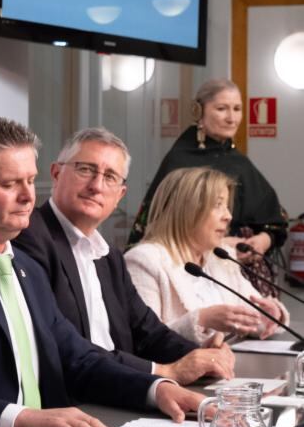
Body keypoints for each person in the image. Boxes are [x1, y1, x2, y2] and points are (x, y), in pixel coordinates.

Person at [0, 118, 202, 427]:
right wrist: (21, 419)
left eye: (30, 180)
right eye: (10, 184)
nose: (28, 196)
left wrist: (156, 390)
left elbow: (78, 359)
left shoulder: (26, 266)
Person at [14, 127, 235, 384]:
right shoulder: (29, 238)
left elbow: (148, 333)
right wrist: (160, 371)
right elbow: (62, 346)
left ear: (120, 195)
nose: (96, 186)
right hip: (72, 397)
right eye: (85, 169)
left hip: (121, 389)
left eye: (110, 177)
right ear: (56, 173)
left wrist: (204, 355)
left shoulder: (110, 257)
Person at [128, 79, 286, 276]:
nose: (232, 118)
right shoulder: (180, 161)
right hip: (187, 271)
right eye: (222, 108)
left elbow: (274, 219)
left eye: (237, 109)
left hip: (235, 273)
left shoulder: (239, 162)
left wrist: (263, 240)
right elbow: (160, 230)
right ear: (198, 111)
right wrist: (218, 244)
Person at [125, 166, 287, 345]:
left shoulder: (220, 257)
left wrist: (269, 316)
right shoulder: (144, 261)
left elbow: (249, 315)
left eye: (227, 206)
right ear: (186, 210)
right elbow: (145, 341)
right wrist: (202, 320)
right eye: (218, 205)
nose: (228, 216)